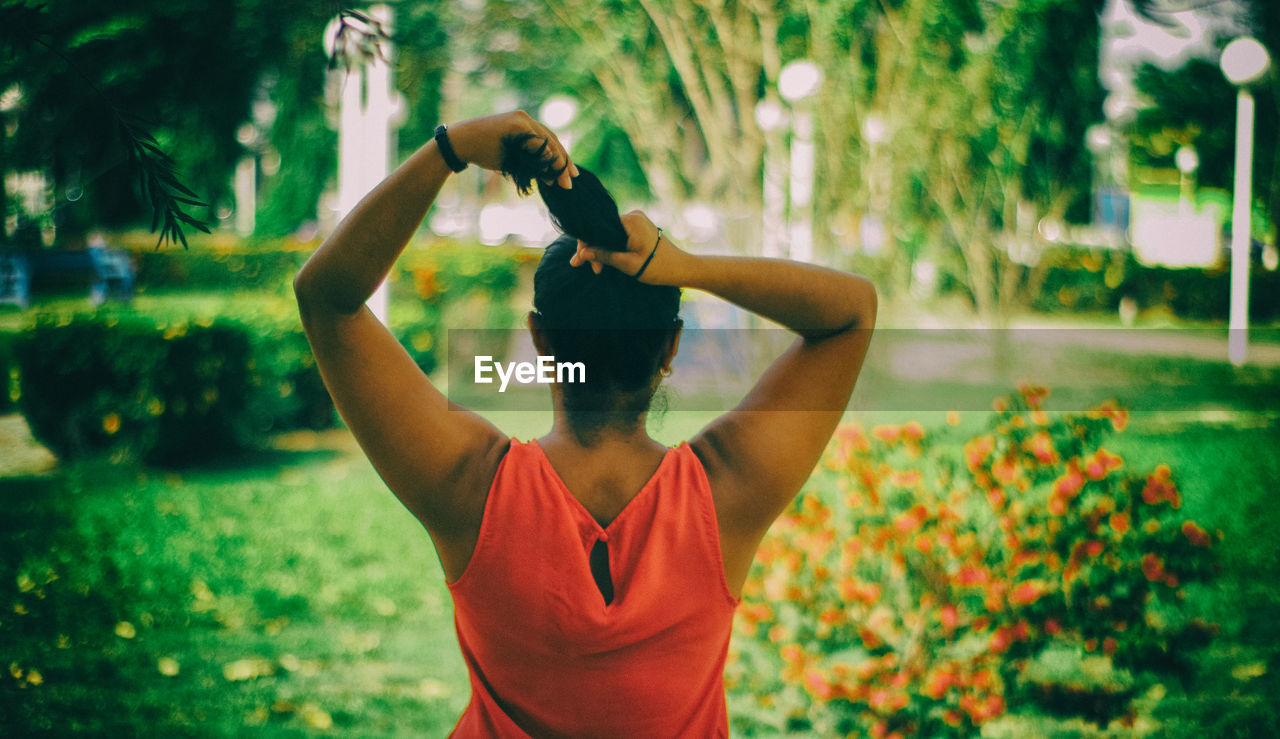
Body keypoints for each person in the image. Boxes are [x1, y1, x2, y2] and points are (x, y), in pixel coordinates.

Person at [293, 110, 877, 737]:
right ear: (671, 348)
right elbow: (851, 313)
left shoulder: (471, 487)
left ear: (541, 341)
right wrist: (687, 269)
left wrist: (452, 148)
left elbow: (327, 298)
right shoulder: (726, 492)